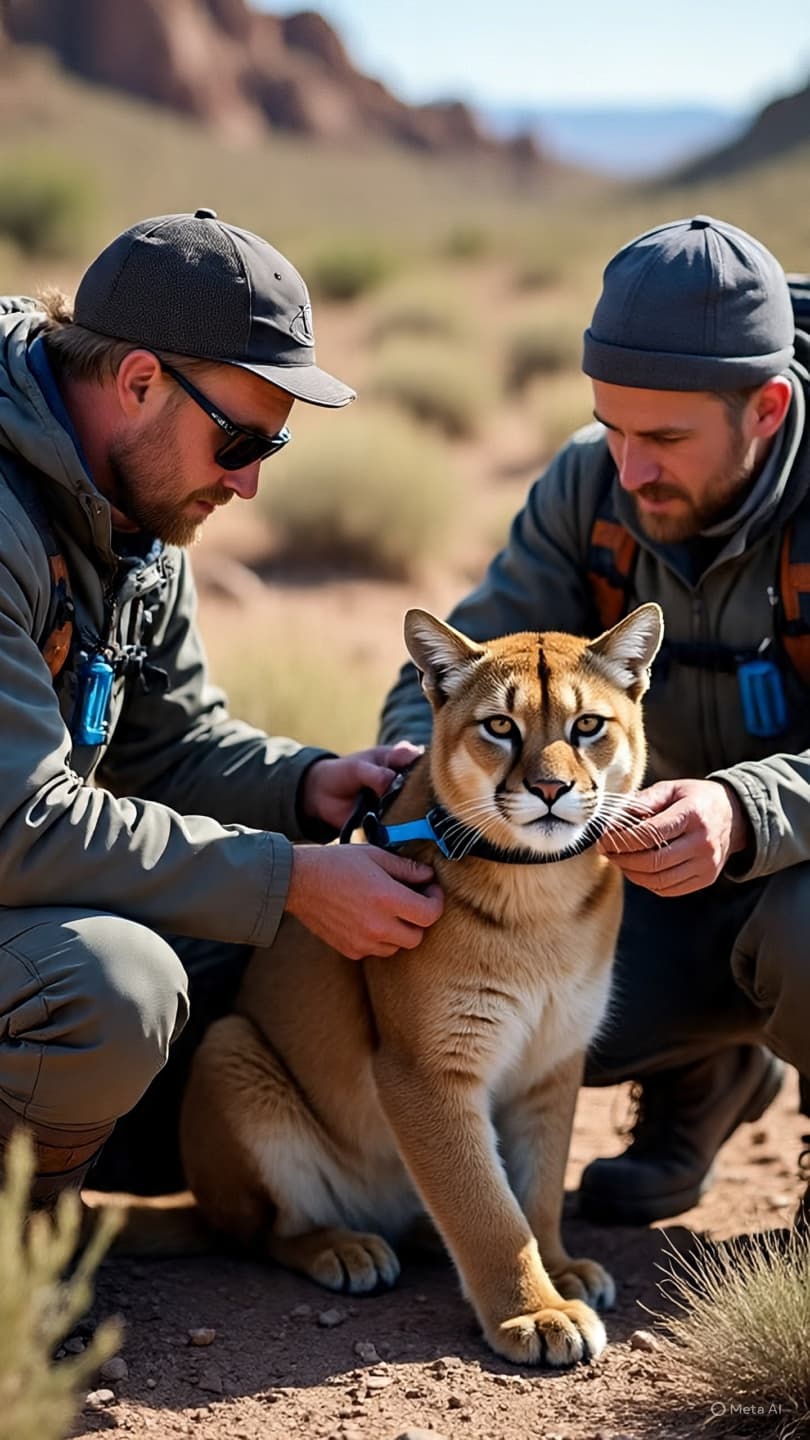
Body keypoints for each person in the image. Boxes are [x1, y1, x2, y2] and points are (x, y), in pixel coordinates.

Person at [0, 208, 444, 1208]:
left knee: (290, 957)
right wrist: (291, 877)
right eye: (237, 439)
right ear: (138, 381)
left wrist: (306, 787)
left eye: (269, 448)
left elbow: (171, 745)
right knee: (114, 989)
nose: (246, 484)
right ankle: (22, 1243)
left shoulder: (138, 503)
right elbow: (19, 827)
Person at [380, 214, 810, 1227]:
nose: (628, 469)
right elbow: (462, 667)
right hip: (644, 857)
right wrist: (412, 771)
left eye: (664, 439)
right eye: (611, 427)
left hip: (792, 872)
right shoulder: (590, 481)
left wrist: (744, 811)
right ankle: (705, 1081)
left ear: (767, 407)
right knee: (526, 985)